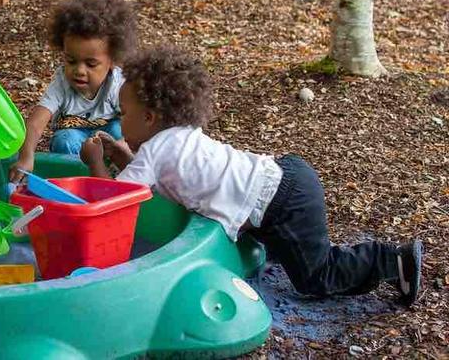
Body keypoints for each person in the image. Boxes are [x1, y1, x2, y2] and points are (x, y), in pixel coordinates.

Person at [80, 45, 423, 305]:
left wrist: (95, 162)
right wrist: (125, 156)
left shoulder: (155, 151)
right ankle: (369, 275)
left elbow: (113, 202)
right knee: (302, 257)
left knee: (314, 278)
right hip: (283, 180)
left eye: (123, 113)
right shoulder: (176, 136)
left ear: (151, 117)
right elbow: (147, 179)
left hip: (280, 201)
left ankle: (393, 258)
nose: (119, 120)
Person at [9, 0, 136, 182]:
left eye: (91, 64)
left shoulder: (117, 84)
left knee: (120, 132)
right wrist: (26, 156)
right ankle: (76, 181)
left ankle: (116, 179)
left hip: (106, 137)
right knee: (64, 140)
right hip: (74, 139)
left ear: (112, 61)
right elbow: (36, 123)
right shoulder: (62, 83)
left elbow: (134, 121)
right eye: (71, 60)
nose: (79, 70)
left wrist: (123, 145)